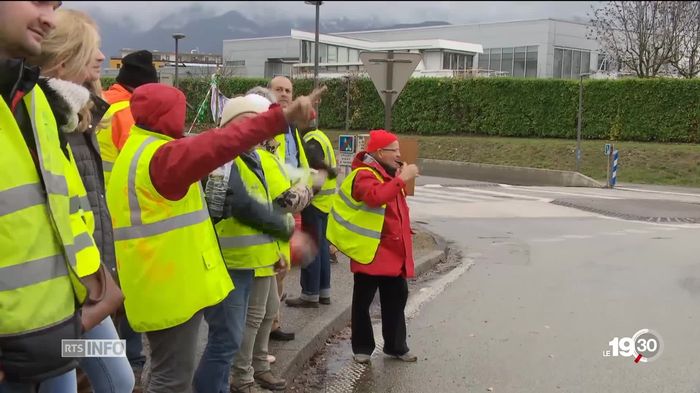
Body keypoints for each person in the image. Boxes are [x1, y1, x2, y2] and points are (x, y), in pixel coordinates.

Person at [106, 83, 324, 393]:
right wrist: (281, 117)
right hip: (171, 288)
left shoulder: (139, 148)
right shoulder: (162, 158)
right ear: (170, 116)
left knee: (171, 369)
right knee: (172, 380)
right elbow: (220, 144)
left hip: (164, 280)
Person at [26, 8, 135, 393]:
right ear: (64, 56)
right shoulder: (47, 121)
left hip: (89, 288)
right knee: (83, 380)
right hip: (62, 295)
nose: (103, 58)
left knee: (113, 378)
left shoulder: (77, 118)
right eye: (92, 49)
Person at [0, 1, 97, 392]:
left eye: (54, 6)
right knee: (118, 372)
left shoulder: (36, 99)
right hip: (28, 338)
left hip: (63, 319)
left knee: (118, 375)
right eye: (37, 0)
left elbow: (70, 212)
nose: (50, 17)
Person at [194, 94, 310, 393]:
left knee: (249, 324)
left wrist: (276, 248)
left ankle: (248, 373)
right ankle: (240, 378)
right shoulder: (223, 163)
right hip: (233, 260)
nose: (260, 132)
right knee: (228, 337)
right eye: (251, 123)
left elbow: (273, 201)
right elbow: (243, 207)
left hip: (257, 256)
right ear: (232, 125)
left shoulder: (257, 158)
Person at [326, 129, 420, 365]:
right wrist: (402, 179)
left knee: (396, 299)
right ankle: (362, 348)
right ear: (380, 152)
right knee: (363, 303)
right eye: (394, 150)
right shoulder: (364, 175)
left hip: (391, 253)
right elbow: (375, 197)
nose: (399, 154)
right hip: (370, 253)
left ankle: (396, 346)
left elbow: (395, 210)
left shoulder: (389, 173)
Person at [99, 49, 157, 382]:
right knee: (127, 293)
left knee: (101, 296)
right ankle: (129, 365)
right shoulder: (129, 113)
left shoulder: (101, 104)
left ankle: (102, 366)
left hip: (96, 213)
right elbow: (140, 168)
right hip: (123, 216)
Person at [267, 75, 309, 342]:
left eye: (288, 90)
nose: (284, 94)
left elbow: (296, 160)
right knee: (271, 267)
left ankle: (273, 323)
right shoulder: (266, 124)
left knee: (282, 268)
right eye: (278, 89)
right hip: (273, 202)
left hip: (291, 204)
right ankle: (267, 327)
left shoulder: (291, 127)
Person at [285, 126, 337, 307]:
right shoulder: (321, 136)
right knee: (321, 247)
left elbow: (316, 173)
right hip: (324, 203)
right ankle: (323, 292)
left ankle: (310, 293)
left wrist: (305, 196)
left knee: (311, 248)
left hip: (314, 202)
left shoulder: (312, 140)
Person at [99, 49, 158, 187]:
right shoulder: (128, 112)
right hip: (113, 190)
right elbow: (138, 160)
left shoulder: (101, 100)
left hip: (91, 187)